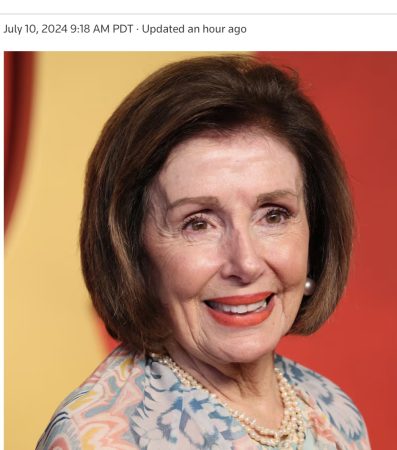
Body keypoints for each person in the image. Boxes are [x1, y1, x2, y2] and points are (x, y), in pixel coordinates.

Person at [37, 56, 371, 449]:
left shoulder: (332, 412)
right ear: (133, 250)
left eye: (274, 215)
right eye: (198, 223)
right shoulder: (97, 438)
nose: (246, 263)